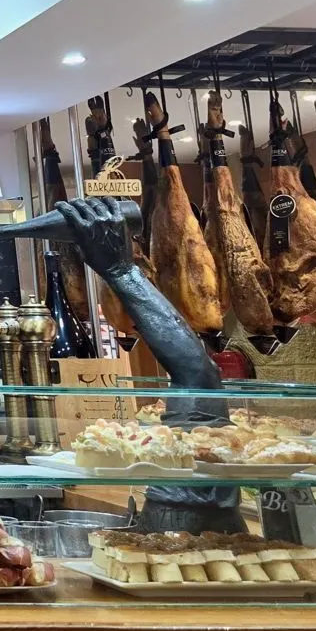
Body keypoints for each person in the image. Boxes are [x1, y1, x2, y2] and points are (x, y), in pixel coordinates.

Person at [48, 198, 242, 533]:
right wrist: (121, 272)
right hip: (188, 520)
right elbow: (198, 374)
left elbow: (198, 374)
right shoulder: (196, 407)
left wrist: (121, 272)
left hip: (185, 523)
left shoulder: (197, 425)